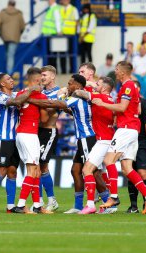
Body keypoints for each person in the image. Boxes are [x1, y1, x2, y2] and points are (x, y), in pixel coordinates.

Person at [91, 61, 146, 214]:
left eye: (116, 69)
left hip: (126, 129)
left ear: (122, 72)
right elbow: (138, 107)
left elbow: (122, 107)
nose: (114, 72)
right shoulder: (132, 86)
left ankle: (113, 196)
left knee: (108, 160)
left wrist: (102, 104)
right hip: (133, 130)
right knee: (127, 169)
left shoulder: (127, 86)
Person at [29, 74, 99, 214]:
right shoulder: (78, 98)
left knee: (91, 172)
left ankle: (103, 203)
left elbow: (54, 104)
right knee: (75, 171)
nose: (68, 86)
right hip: (82, 139)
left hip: (87, 137)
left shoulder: (77, 98)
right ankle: (78, 206)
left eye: (70, 83)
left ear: (78, 86)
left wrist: (31, 100)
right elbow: (67, 108)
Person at [0, 73, 37, 213]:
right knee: (2, 170)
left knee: (12, 171)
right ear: (2, 84)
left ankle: (10, 206)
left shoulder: (17, 93)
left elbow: (24, 96)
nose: (12, 80)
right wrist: (30, 90)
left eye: (12, 78)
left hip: (14, 139)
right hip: (2, 138)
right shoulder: (0, 96)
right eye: (8, 79)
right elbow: (16, 102)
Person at [70, 77, 115, 214]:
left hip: (102, 140)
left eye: (98, 84)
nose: (96, 86)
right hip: (103, 139)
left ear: (105, 88)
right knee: (84, 170)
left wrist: (81, 86)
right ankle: (90, 204)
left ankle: (100, 203)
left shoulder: (102, 97)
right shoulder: (107, 99)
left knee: (89, 170)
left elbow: (83, 94)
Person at [11, 68, 52, 214]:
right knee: (32, 170)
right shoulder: (38, 95)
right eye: (41, 81)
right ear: (36, 81)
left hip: (21, 133)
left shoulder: (21, 93)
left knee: (37, 171)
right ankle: (21, 205)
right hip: (29, 134)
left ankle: (37, 206)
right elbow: (45, 119)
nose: (43, 84)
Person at [126, 80, 146, 213]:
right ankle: (133, 206)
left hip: (142, 142)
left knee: (142, 173)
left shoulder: (145, 104)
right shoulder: (126, 102)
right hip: (128, 141)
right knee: (130, 173)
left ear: (138, 89)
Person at [37, 65, 61, 211]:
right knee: (37, 165)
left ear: (52, 76)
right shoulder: (42, 92)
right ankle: (39, 200)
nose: (42, 77)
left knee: (42, 165)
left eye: (45, 75)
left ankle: (50, 200)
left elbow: (50, 112)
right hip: (37, 131)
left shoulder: (59, 92)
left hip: (49, 132)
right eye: (41, 75)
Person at [0, 0, 25, 74]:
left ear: (8, 4)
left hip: (5, 37)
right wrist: (18, 33)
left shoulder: (3, 12)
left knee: (7, 55)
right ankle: (9, 74)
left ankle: (7, 73)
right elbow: (23, 26)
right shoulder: (19, 13)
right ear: (14, 5)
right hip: (15, 37)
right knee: (11, 55)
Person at [60, 0, 79, 74]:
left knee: (71, 52)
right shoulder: (60, 9)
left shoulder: (74, 9)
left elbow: (77, 21)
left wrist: (75, 33)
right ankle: (63, 71)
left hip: (71, 35)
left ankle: (72, 70)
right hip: (62, 35)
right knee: (62, 53)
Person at [41, 0, 61, 68]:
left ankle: (52, 69)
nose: (48, 1)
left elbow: (57, 20)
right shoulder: (51, 8)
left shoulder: (54, 8)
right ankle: (51, 68)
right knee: (50, 53)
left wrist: (59, 31)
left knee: (52, 54)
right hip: (48, 34)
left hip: (53, 34)